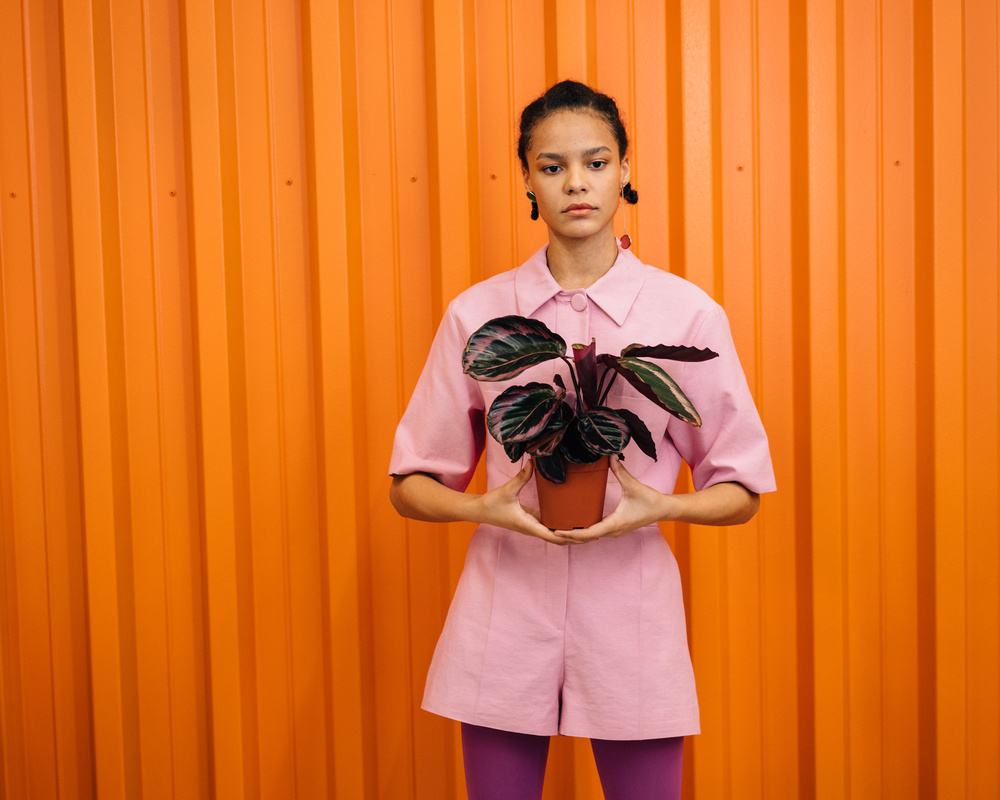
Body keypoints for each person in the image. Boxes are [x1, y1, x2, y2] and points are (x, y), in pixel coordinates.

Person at [389, 80, 775, 800]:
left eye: (596, 163)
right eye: (553, 165)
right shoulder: (478, 315)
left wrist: (661, 508)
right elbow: (410, 485)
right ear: (528, 180)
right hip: (504, 612)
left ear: (625, 169)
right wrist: (483, 509)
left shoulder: (687, 315)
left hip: (630, 618)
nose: (576, 183)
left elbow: (743, 489)